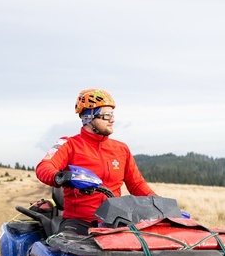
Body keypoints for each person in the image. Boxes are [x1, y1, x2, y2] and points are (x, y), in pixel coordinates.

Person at [36, 88, 156, 234]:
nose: (112, 119)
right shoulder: (68, 144)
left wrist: (159, 205)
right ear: (88, 117)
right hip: (78, 222)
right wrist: (62, 177)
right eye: (106, 115)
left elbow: (136, 185)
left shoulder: (121, 149)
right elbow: (44, 166)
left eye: (112, 114)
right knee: (70, 251)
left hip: (114, 221)